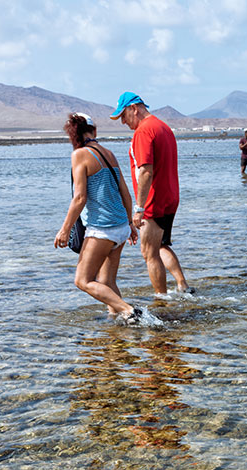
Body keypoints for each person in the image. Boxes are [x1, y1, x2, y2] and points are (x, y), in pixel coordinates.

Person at [54, 113, 141, 323]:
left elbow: (80, 198)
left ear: (73, 134)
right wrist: (129, 224)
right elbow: (125, 192)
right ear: (94, 131)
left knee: (83, 280)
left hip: (103, 228)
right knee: (107, 281)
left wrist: (65, 229)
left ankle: (129, 310)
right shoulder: (109, 153)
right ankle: (116, 326)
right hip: (120, 226)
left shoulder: (80, 155)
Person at [111, 91, 193, 296]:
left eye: (123, 116)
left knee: (149, 253)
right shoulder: (164, 127)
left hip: (152, 201)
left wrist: (138, 209)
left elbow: (146, 171)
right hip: (171, 197)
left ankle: (161, 299)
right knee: (161, 245)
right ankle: (183, 286)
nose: (123, 122)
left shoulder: (143, 131)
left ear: (134, 109)